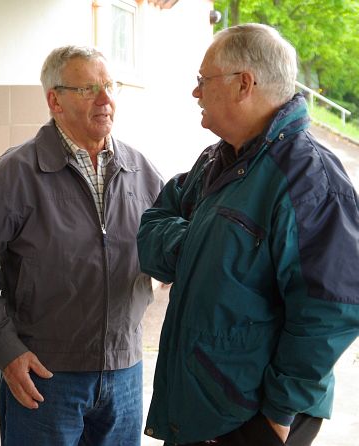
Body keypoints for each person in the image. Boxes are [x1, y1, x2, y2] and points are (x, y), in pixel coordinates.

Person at [137, 23, 359, 446]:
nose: (196, 92)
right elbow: (151, 233)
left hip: (251, 418)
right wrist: (199, 245)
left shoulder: (310, 179)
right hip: (198, 408)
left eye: (203, 80)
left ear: (243, 84)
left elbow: (332, 309)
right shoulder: (216, 161)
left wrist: (278, 416)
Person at [0, 45, 163, 445]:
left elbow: (167, 250)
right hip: (45, 375)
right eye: (88, 89)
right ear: (55, 101)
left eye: (110, 86)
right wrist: (6, 351)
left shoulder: (140, 170)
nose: (105, 99)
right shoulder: (16, 173)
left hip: (124, 374)